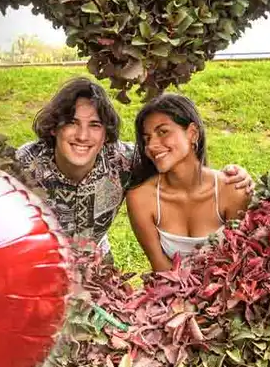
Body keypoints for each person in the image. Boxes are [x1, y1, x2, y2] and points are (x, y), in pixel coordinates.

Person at [15, 77, 253, 258]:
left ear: (106, 135)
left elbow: (178, 162)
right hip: (38, 267)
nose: (82, 135)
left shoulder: (123, 159)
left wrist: (234, 175)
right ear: (54, 128)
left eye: (95, 125)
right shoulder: (24, 163)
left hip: (97, 271)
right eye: (71, 123)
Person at [125, 93, 251, 272]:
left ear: (192, 133)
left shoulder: (232, 190)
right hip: (169, 294)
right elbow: (161, 269)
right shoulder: (141, 198)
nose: (152, 145)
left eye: (163, 132)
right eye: (147, 139)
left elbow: (240, 262)